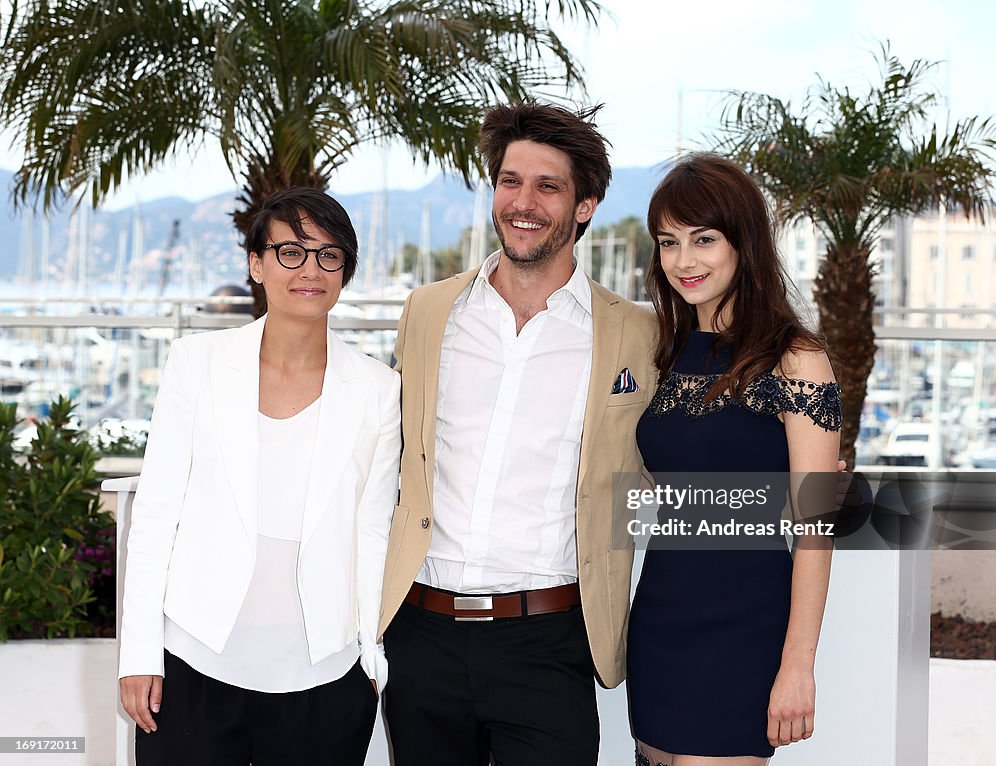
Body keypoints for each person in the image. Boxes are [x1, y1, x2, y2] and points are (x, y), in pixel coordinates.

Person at [378, 102, 658, 765]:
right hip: (421, 636)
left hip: (550, 641)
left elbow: (669, 462)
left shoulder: (636, 334)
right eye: (510, 181)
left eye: (547, 186)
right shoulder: (429, 311)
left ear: (584, 206)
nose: (522, 202)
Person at [118, 187, 401, 765]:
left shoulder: (379, 389)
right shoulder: (195, 363)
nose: (310, 270)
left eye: (329, 255)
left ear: (344, 270)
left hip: (324, 672)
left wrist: (372, 657)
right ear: (257, 263)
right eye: (291, 251)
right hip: (194, 659)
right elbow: (156, 517)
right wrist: (139, 654)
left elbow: (374, 533)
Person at [627, 154, 842, 766]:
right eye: (669, 243)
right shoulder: (667, 354)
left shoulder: (795, 359)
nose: (684, 260)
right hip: (661, 621)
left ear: (743, 243)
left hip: (743, 633)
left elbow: (814, 528)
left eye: (704, 239)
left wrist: (797, 667)